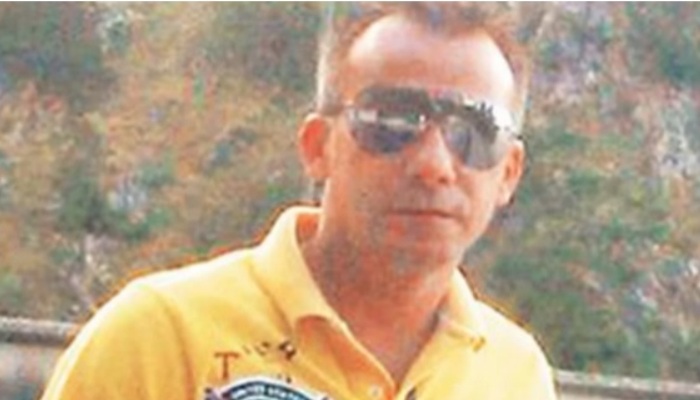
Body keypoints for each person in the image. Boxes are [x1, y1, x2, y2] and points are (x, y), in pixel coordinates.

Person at [41, 3, 558, 400]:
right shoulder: (159, 337)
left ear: (509, 172)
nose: (434, 164)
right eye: (392, 120)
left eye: (474, 132)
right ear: (317, 147)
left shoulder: (515, 375)